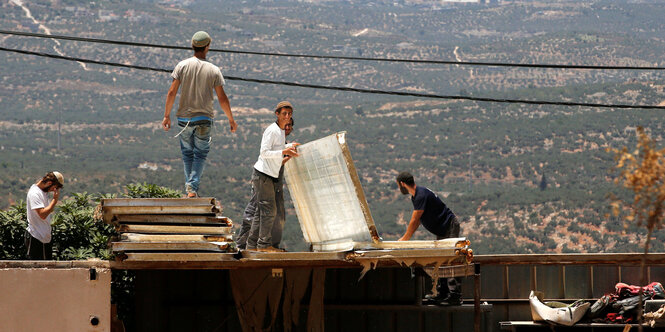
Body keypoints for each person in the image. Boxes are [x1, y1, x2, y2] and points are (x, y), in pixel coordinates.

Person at [162, 31, 237, 198]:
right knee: (200, 154)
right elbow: (222, 98)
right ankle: (192, 188)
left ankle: (190, 189)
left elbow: (171, 92)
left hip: (184, 119)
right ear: (207, 47)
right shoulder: (214, 70)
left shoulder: (182, 66)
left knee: (187, 153)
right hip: (204, 118)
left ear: (192, 46)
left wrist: (167, 115)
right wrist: (231, 119)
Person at [396, 171, 463, 305]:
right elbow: (419, 219)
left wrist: (405, 239)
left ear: (402, 184)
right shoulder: (417, 195)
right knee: (441, 259)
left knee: (449, 259)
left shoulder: (420, 195)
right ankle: (442, 293)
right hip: (443, 229)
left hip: (449, 226)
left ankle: (454, 296)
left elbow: (415, 220)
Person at [244, 101, 299, 252]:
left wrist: (288, 147)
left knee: (261, 212)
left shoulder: (280, 131)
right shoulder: (273, 130)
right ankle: (263, 245)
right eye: (284, 114)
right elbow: (264, 153)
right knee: (269, 211)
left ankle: (252, 245)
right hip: (264, 175)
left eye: (289, 114)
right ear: (277, 114)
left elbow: (278, 149)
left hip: (267, 175)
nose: (287, 117)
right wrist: (284, 152)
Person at [25, 171, 64, 260]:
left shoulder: (43, 192)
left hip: (44, 237)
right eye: (54, 188)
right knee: (37, 270)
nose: (53, 191)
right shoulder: (35, 193)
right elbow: (42, 214)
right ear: (49, 183)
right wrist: (54, 200)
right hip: (36, 236)